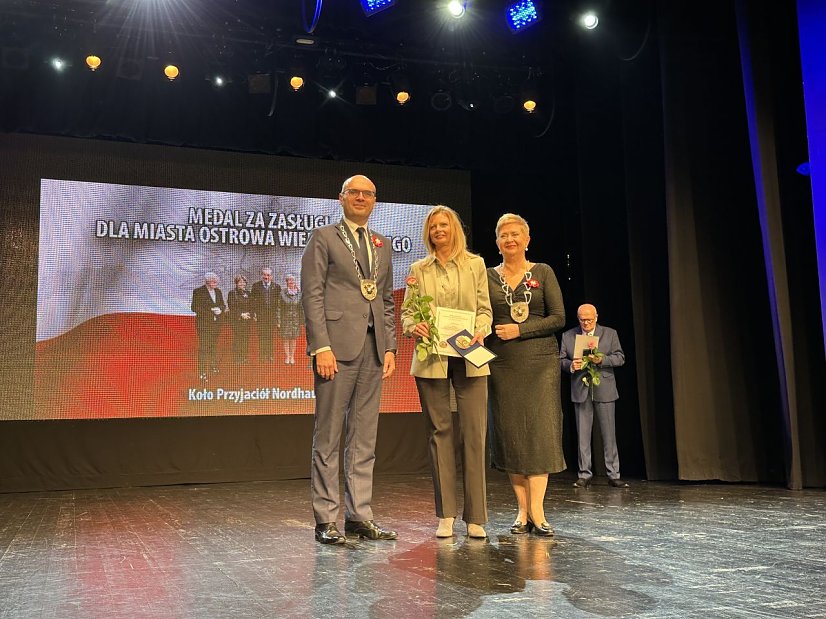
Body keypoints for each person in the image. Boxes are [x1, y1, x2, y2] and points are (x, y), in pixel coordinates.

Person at [301, 174, 397, 545]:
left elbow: (385, 300)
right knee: (328, 435)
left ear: (375, 201)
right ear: (340, 198)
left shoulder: (381, 243)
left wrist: (389, 347)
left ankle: (360, 515)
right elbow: (311, 295)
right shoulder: (324, 237)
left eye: (368, 193)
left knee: (364, 439)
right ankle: (326, 519)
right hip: (335, 351)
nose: (361, 197)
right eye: (354, 192)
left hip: (373, 351)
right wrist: (319, 346)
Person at [402, 205, 492, 539]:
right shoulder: (418, 269)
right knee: (439, 433)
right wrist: (416, 326)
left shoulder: (476, 264)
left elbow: (484, 310)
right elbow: (407, 315)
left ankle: (476, 517)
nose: (439, 230)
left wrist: (481, 328)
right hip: (431, 359)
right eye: (433, 226)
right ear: (428, 233)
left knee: (473, 433)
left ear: (455, 229)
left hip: (470, 354)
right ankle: (446, 515)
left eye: (445, 225)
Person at [486, 213, 566, 537]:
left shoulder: (543, 272)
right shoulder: (488, 277)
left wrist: (520, 329)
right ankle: (522, 511)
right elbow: (481, 315)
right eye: (504, 235)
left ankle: (539, 511)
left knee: (540, 435)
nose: (510, 239)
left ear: (527, 239)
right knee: (512, 437)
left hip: (541, 364)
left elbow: (558, 317)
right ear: (497, 242)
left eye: (516, 234)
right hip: (503, 365)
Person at [560, 303, 629, 488]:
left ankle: (614, 474)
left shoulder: (609, 333)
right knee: (583, 434)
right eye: (583, 320)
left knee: (609, 434)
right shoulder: (568, 336)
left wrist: (602, 360)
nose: (586, 323)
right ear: (578, 319)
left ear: (596, 317)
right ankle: (584, 474)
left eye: (589, 319)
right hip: (581, 389)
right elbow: (561, 360)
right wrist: (570, 366)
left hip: (604, 388)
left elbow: (620, 357)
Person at [190, 272, 226, 381]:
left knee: (213, 346)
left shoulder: (218, 291)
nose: (216, 283)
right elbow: (194, 308)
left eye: (216, 281)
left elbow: (223, 305)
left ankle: (213, 366)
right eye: (213, 281)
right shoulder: (198, 291)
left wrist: (220, 309)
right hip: (204, 325)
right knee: (204, 347)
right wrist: (211, 312)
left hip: (216, 324)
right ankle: (202, 371)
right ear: (207, 281)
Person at [250, 267, 280, 363]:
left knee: (271, 336)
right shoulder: (255, 286)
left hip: (272, 316)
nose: (266, 277)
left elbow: (279, 303)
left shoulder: (277, 287)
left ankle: (270, 355)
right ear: (261, 275)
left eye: (268, 275)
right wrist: (254, 313)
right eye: (264, 275)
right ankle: (262, 356)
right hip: (261, 316)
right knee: (262, 335)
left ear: (271, 276)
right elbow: (252, 301)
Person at [227, 274, 253, 365]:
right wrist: (241, 314)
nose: (242, 283)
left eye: (244, 282)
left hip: (247, 320)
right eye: (240, 282)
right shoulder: (232, 293)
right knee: (238, 339)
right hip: (237, 320)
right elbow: (232, 307)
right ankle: (237, 358)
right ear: (236, 283)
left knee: (245, 338)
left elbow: (252, 306)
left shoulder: (248, 293)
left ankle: (244, 357)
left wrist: (249, 314)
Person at [278, 274, 303, 365]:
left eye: (293, 280)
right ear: (287, 282)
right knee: (286, 339)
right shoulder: (282, 293)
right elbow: (279, 308)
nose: (291, 282)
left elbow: (301, 308)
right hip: (285, 319)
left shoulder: (299, 293)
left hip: (295, 320)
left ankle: (292, 356)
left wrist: (301, 320)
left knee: (293, 339)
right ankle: (287, 356)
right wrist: (279, 321)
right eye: (289, 280)